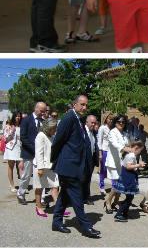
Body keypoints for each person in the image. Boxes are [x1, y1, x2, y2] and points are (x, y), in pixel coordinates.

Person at [51, 95, 100, 238]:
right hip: (68, 165)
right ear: (74, 104)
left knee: (65, 195)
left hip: (75, 165)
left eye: (86, 105)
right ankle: (85, 226)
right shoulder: (68, 118)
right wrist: (55, 160)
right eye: (82, 104)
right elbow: (58, 141)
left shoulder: (78, 119)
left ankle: (57, 222)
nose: (84, 107)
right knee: (77, 196)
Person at [33, 119, 69, 218]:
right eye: (53, 128)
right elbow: (39, 152)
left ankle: (58, 208)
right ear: (48, 128)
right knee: (39, 187)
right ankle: (39, 207)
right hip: (41, 166)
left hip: (51, 166)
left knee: (55, 186)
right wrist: (40, 168)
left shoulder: (52, 136)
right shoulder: (40, 136)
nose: (55, 130)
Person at [17, 102, 46, 204]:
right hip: (28, 153)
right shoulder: (26, 120)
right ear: (36, 108)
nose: (43, 113)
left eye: (44, 111)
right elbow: (23, 137)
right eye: (41, 111)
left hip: (40, 155)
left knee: (41, 176)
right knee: (26, 176)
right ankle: (20, 194)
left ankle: (41, 199)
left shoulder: (43, 121)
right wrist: (35, 149)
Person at [112, 141, 145, 222]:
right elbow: (128, 167)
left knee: (129, 197)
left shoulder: (130, 155)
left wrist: (137, 166)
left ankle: (125, 213)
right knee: (129, 198)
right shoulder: (131, 155)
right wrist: (138, 165)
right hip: (128, 178)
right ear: (136, 148)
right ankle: (119, 214)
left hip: (129, 177)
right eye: (140, 151)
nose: (139, 153)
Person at [104, 115, 129, 214]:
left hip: (122, 162)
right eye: (119, 121)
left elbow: (127, 144)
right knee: (118, 184)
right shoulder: (112, 132)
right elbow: (115, 144)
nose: (121, 123)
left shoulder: (124, 133)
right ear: (115, 122)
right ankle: (108, 201)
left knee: (121, 184)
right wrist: (125, 148)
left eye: (123, 122)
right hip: (113, 162)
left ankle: (115, 202)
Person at [3, 112, 22, 192]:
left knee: (21, 166)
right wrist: (11, 131)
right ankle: (12, 185)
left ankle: (22, 185)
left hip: (19, 147)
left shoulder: (21, 126)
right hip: (11, 148)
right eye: (16, 116)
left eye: (19, 116)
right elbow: (5, 139)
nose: (18, 118)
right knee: (11, 166)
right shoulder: (9, 126)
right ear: (14, 117)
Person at [82, 115, 98, 204]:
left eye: (95, 123)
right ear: (86, 122)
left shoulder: (94, 132)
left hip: (90, 159)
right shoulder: (82, 131)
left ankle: (85, 197)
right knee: (81, 179)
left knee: (87, 179)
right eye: (92, 122)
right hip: (82, 159)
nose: (93, 124)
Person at [96, 116, 110, 194]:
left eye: (112, 119)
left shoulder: (114, 128)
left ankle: (115, 185)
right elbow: (99, 141)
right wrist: (100, 153)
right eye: (109, 119)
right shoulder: (102, 128)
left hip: (112, 151)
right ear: (106, 119)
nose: (110, 120)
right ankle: (101, 186)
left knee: (112, 169)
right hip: (104, 150)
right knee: (103, 169)